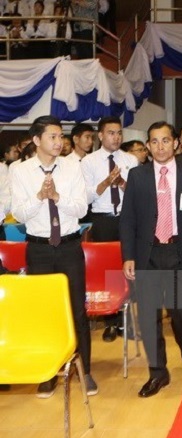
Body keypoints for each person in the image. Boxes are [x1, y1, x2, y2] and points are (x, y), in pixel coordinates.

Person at [119, 121, 182, 398]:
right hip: (148, 254)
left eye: (165, 140)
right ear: (148, 146)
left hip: (180, 251)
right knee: (148, 316)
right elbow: (128, 220)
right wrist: (128, 256)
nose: (160, 147)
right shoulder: (137, 176)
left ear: (175, 143)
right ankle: (158, 373)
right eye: (154, 141)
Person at [10, 115, 95, 398]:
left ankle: (86, 370)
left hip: (70, 246)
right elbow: (20, 213)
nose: (59, 142)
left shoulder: (73, 168)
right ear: (36, 140)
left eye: (61, 136)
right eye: (53, 137)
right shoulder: (20, 171)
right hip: (39, 248)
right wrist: (39, 197)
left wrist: (57, 198)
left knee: (77, 310)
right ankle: (48, 373)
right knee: (44, 311)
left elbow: (82, 208)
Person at [81, 116, 138, 341]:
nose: (116, 137)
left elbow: (137, 193)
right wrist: (106, 183)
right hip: (103, 219)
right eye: (111, 133)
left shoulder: (131, 160)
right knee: (108, 271)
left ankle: (128, 321)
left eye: (119, 133)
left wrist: (121, 183)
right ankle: (111, 322)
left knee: (129, 267)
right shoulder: (89, 162)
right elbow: (85, 196)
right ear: (101, 135)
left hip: (128, 218)